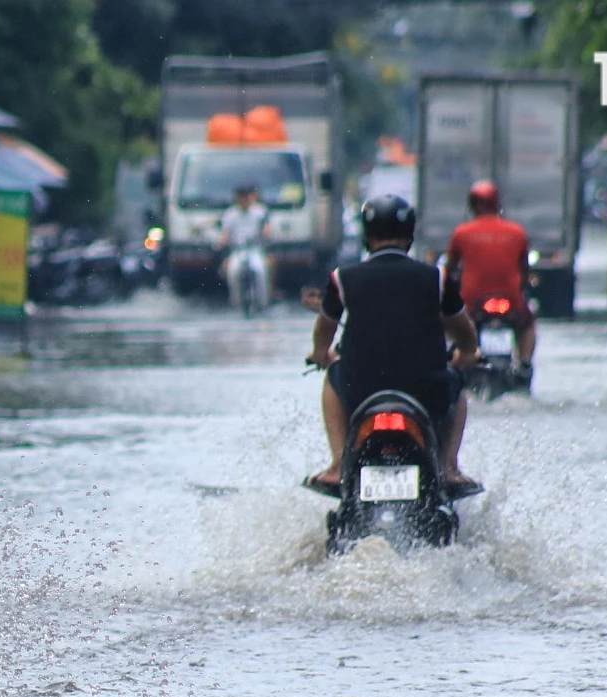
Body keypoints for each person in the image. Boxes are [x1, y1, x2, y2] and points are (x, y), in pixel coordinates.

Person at [305, 194, 481, 494]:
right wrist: (466, 354)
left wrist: (322, 355)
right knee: (457, 385)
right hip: (426, 388)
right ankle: (450, 467)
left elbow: (325, 329)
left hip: (361, 388)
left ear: (366, 235)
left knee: (332, 378)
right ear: (410, 235)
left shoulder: (343, 277)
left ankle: (337, 466)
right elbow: (465, 333)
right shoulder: (436, 277)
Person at [443, 179, 535, 383]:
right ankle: (525, 363)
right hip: (511, 300)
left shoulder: (461, 233)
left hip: (472, 301)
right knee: (528, 323)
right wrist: (524, 286)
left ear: (472, 205)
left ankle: (453, 358)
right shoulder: (517, 231)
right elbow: (524, 270)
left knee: (449, 322)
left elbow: (450, 269)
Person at [216, 184, 270, 310]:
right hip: (237, 250)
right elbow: (224, 233)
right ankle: (237, 302)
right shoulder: (230, 214)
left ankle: (263, 302)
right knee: (233, 272)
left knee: (260, 270)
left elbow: (266, 229)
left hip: (255, 249)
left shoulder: (259, 212)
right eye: (241, 198)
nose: (244, 200)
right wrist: (222, 241)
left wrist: (266, 233)